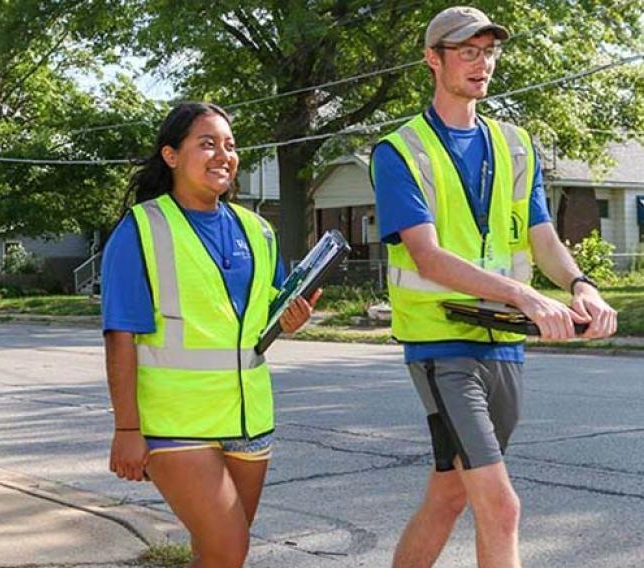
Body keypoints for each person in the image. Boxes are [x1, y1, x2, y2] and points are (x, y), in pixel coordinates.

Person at [371, 6, 617, 568]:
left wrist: (582, 284)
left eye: (488, 52)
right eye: (467, 52)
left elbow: (542, 237)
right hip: (443, 346)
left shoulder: (515, 145)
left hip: (505, 345)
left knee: (448, 495)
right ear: (433, 60)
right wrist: (526, 296)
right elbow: (427, 256)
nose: (482, 65)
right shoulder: (400, 151)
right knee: (501, 506)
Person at [102, 102, 319, 568]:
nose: (223, 154)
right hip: (176, 424)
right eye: (207, 143)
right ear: (171, 155)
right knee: (229, 549)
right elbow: (120, 336)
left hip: (250, 419)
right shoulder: (141, 228)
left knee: (218, 554)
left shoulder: (258, 230)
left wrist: (289, 319)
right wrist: (126, 429)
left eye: (230, 145)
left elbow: (261, 316)